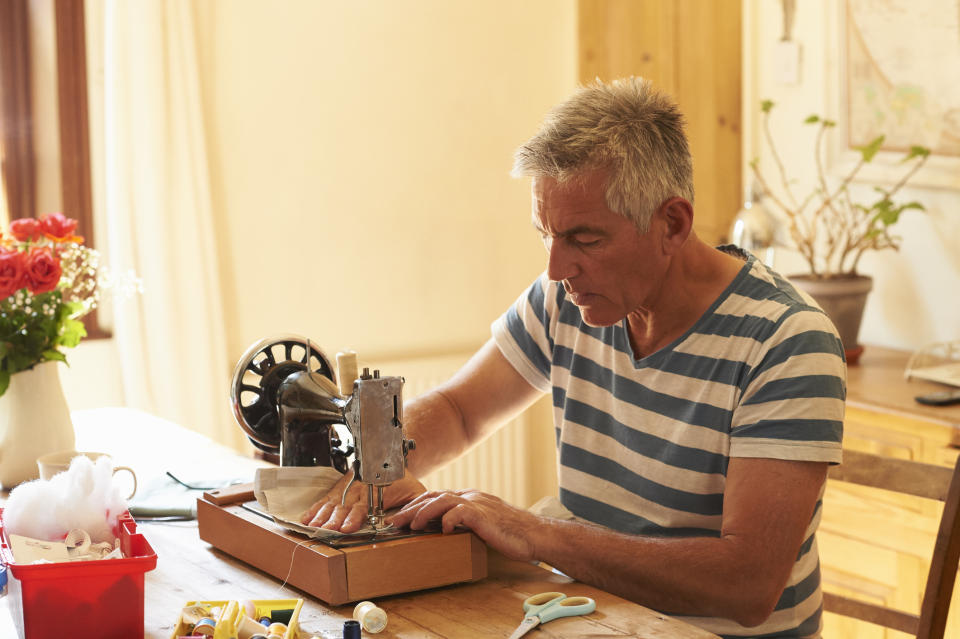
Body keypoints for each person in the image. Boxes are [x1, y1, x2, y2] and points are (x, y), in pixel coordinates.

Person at [302, 77, 845, 638]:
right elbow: (462, 410)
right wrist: (382, 467)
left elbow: (746, 585)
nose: (558, 269)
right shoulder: (568, 298)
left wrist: (537, 533)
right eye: (547, 235)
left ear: (672, 224)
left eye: (585, 240)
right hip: (595, 620)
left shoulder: (786, 342)